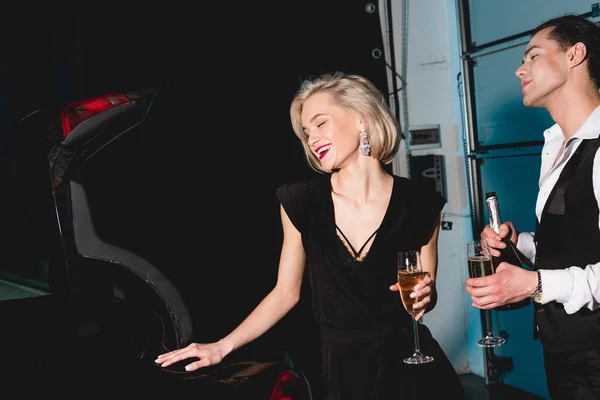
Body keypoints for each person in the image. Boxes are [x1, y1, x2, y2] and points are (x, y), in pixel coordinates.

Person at [155, 71, 465, 399]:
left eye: (321, 123)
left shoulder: (421, 204)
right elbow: (285, 293)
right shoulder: (301, 202)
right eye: (305, 132)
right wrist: (222, 346)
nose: (312, 138)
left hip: (411, 367)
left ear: (361, 119)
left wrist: (426, 296)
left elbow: (422, 300)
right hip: (342, 371)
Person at [465, 14, 600, 400]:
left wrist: (533, 283)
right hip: (565, 352)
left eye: (533, 56)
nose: (518, 69)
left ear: (575, 55)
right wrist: (520, 242)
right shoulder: (556, 143)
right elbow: (580, 243)